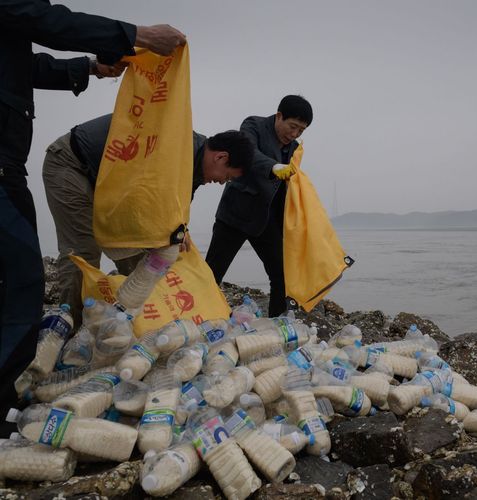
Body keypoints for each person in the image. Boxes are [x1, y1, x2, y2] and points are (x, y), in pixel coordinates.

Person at [0, 0, 186, 436]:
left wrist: (87, 68)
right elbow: (36, 18)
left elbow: (20, 63)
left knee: (14, 276)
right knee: (24, 278)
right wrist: (136, 35)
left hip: (10, 160)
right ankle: (3, 399)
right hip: (14, 164)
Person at [42, 113, 255, 320]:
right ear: (221, 157)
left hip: (106, 181)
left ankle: (132, 319)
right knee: (82, 251)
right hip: (73, 164)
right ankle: (69, 326)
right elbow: (142, 199)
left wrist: (180, 229)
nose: (220, 183)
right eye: (226, 177)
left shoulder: (195, 168)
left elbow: (174, 210)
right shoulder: (175, 148)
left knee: (147, 253)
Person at [206, 95, 313, 317]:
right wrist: (273, 166)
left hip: (267, 221)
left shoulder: (294, 148)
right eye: (292, 126)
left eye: (301, 131)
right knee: (211, 274)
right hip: (236, 215)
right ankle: (197, 317)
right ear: (279, 116)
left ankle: (276, 324)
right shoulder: (253, 125)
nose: (294, 134)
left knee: (281, 276)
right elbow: (249, 154)